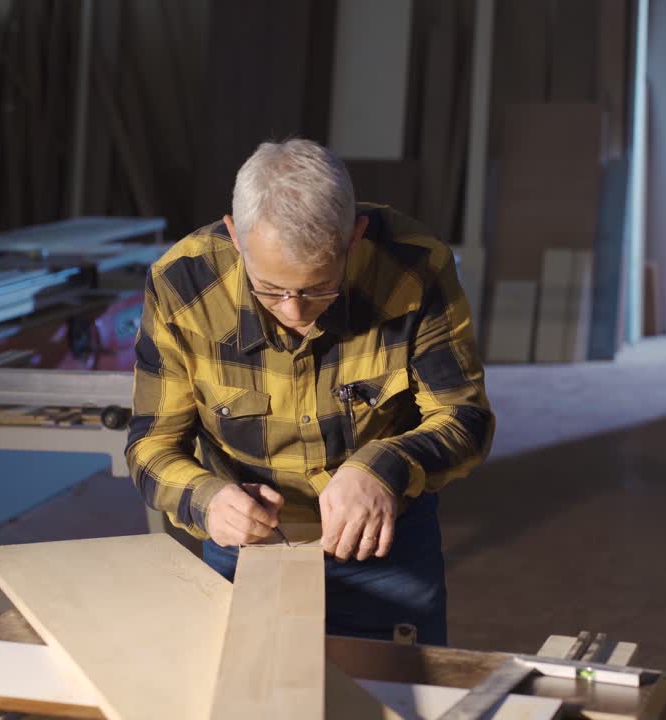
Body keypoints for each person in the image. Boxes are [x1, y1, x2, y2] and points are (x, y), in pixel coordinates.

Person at [125, 138, 494, 645]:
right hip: (243, 549)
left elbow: (465, 417)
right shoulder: (182, 286)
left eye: (320, 286)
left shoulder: (415, 269)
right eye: (271, 289)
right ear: (235, 236)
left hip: (384, 545)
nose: (295, 311)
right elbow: (150, 447)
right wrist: (209, 501)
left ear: (355, 237)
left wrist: (383, 468)